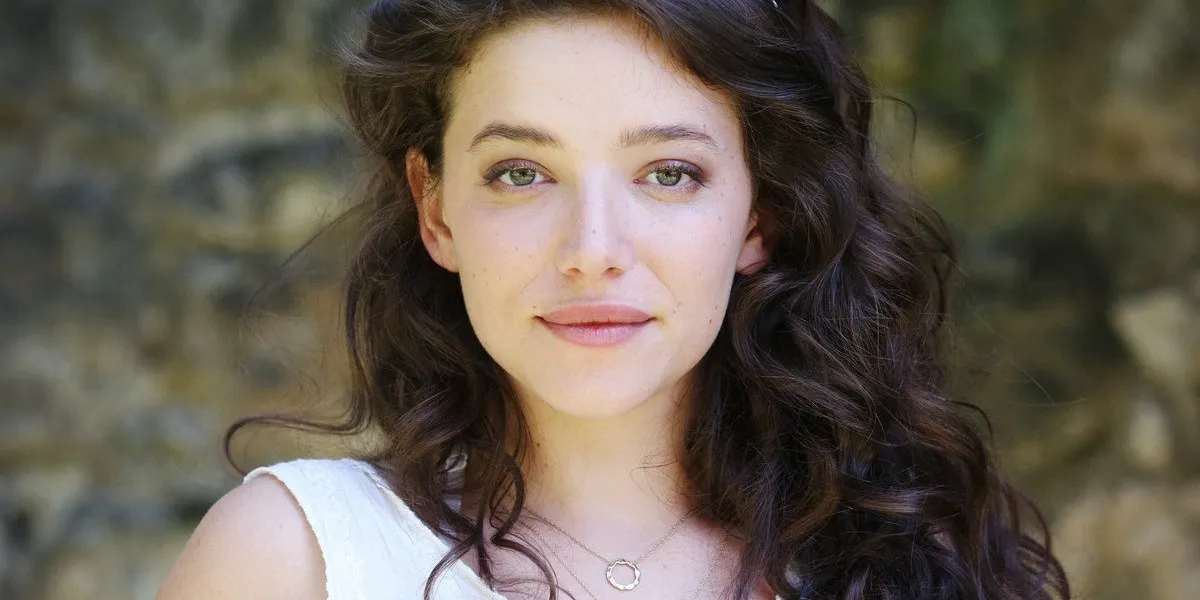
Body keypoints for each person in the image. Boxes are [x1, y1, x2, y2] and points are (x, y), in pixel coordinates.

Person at [155, 1, 1070, 599]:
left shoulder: (907, 570)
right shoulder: (296, 560)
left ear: (760, 213)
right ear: (436, 210)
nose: (593, 251)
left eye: (668, 173)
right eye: (521, 173)